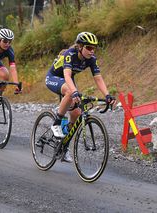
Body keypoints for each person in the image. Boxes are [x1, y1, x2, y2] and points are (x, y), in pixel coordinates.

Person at [45, 32, 116, 162]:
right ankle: (57, 121)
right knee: (69, 92)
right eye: (88, 48)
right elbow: (66, 76)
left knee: (76, 114)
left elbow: (98, 78)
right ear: (79, 47)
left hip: (68, 80)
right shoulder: (70, 54)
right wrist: (74, 91)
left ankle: (62, 147)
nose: (92, 51)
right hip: (54, 77)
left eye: (94, 48)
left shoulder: (91, 59)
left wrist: (107, 95)